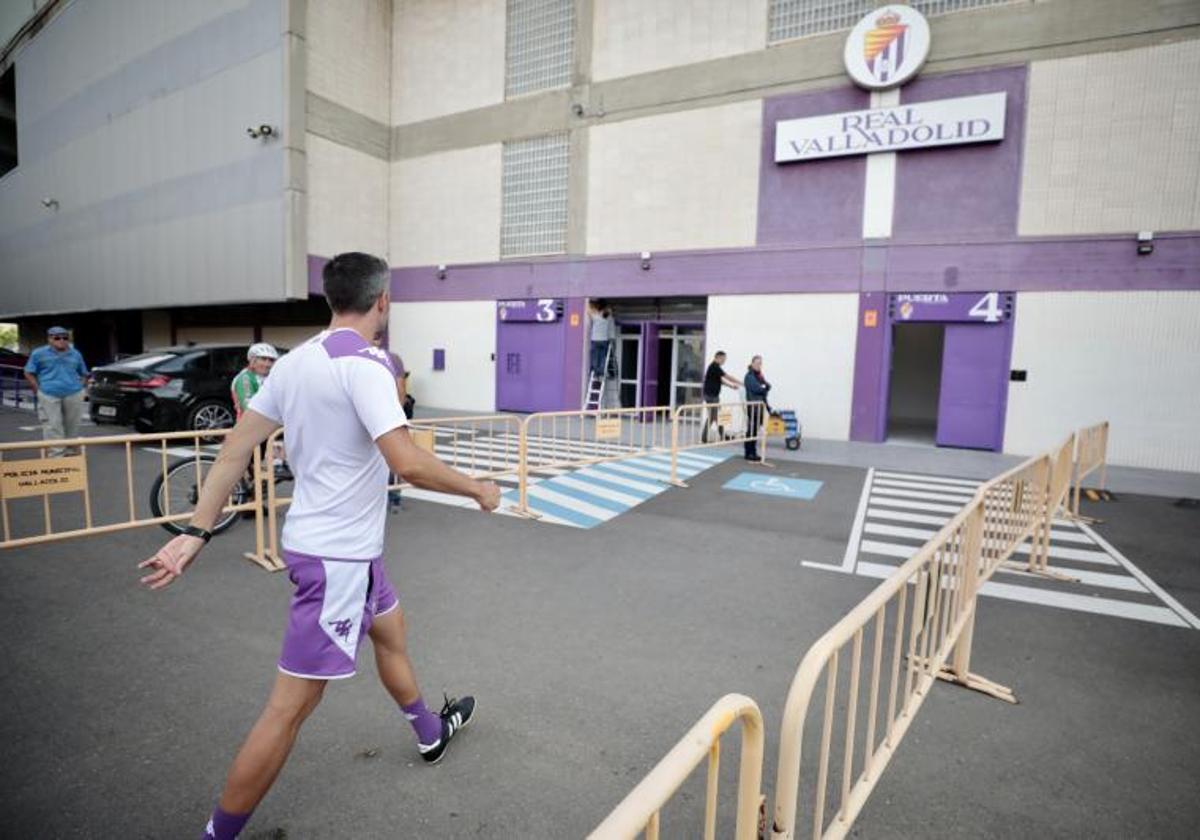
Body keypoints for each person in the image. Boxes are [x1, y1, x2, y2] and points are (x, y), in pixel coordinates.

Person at [138, 252, 501, 840]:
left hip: (346, 552)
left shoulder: (295, 362)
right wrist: (478, 488)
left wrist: (195, 530)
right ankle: (216, 835)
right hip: (338, 562)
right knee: (288, 712)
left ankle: (429, 732)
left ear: (331, 299)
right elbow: (406, 463)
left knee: (391, 634)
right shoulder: (366, 366)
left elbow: (233, 451)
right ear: (382, 301)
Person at [23, 326, 89, 456]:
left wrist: (81, 388)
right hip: (48, 393)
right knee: (53, 425)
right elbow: (28, 372)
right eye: (57, 338)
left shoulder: (75, 353)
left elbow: (84, 373)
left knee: (72, 425)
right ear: (49, 339)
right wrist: (38, 389)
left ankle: (70, 453)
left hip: (73, 393)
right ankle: (56, 456)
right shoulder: (38, 353)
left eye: (65, 338)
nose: (62, 340)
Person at [230, 343, 279, 422]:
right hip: (250, 426)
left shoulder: (270, 377)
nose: (267, 364)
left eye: (271, 360)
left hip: (269, 426)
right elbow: (249, 407)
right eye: (263, 359)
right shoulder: (245, 378)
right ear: (252, 361)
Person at [701, 350, 741, 443]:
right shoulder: (714, 366)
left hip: (712, 395)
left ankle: (722, 436)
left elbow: (720, 381)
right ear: (718, 357)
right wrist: (740, 382)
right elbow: (727, 377)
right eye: (723, 359)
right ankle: (709, 437)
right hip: (711, 396)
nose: (724, 361)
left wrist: (731, 386)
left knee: (716, 416)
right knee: (714, 417)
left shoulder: (715, 367)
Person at [743, 355, 771, 462]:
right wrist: (764, 388)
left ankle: (753, 452)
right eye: (757, 363)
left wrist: (764, 387)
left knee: (754, 431)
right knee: (751, 430)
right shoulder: (749, 376)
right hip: (753, 406)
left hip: (759, 406)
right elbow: (758, 389)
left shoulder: (759, 376)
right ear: (752, 363)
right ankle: (748, 453)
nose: (759, 365)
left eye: (760, 363)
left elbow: (767, 386)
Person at [588, 299, 615, 378]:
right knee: (603, 357)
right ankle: (601, 372)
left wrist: (589, 303)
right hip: (604, 340)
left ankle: (596, 373)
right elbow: (609, 313)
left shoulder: (596, 317)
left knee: (595, 357)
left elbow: (589, 311)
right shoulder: (607, 318)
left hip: (595, 340)